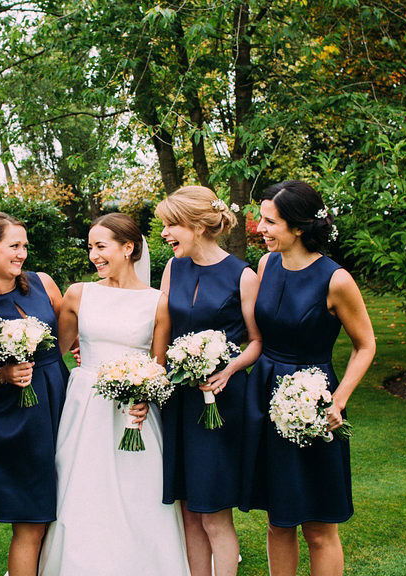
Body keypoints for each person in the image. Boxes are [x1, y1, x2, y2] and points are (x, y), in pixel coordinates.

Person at [38, 213, 190, 576]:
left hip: (134, 411)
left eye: (101, 246)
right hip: (85, 405)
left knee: (140, 491)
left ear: (128, 247)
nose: (94, 255)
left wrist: (146, 396)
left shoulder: (157, 302)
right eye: (91, 247)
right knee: (82, 489)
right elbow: (55, 352)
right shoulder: (78, 294)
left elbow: (159, 365)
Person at [240, 181, 375, 576]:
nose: (259, 228)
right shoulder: (267, 265)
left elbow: (365, 345)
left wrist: (339, 399)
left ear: (298, 227)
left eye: (269, 221)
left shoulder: (336, 280)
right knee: (278, 519)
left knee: (318, 525)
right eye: (260, 219)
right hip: (265, 394)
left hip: (313, 402)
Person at [156, 186, 262, 576]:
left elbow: (257, 341)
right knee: (187, 511)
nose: (165, 233)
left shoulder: (243, 275)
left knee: (214, 514)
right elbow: (161, 328)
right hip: (178, 401)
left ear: (199, 226)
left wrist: (229, 369)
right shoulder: (172, 267)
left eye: (172, 225)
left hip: (219, 402)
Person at [0, 211, 69, 576]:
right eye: (14, 246)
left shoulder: (42, 283)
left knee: (67, 508)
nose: (23, 253)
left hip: (60, 401)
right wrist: (3, 375)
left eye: (24, 245)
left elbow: (67, 337)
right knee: (32, 522)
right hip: (15, 419)